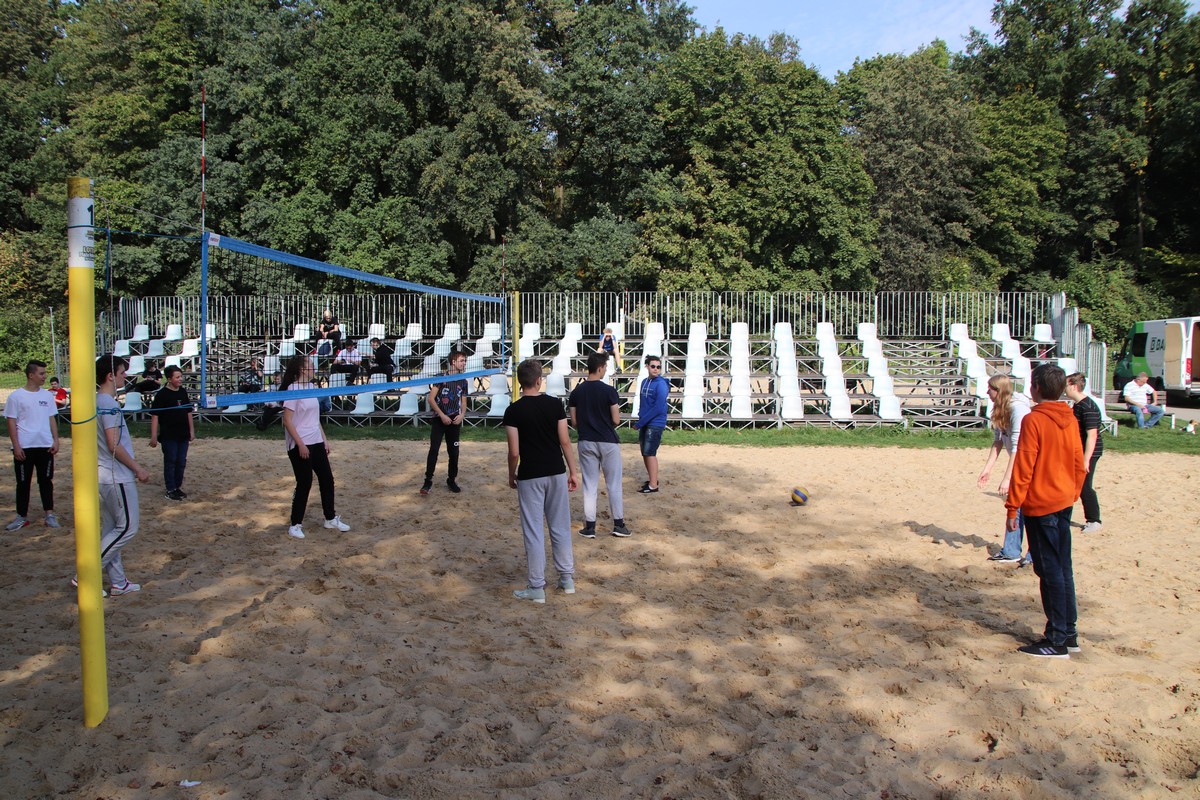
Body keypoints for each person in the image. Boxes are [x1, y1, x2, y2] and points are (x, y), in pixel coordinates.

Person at [1004, 363, 1087, 658]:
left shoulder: (1034, 420)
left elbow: (1023, 467)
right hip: (1062, 501)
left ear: (1036, 387)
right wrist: (1072, 493)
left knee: (1050, 570)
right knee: (1062, 568)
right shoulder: (1069, 417)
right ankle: (1069, 633)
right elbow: (1079, 463)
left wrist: (1012, 508)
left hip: (1042, 504)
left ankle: (1057, 638)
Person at [503, 359, 580, 603]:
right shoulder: (554, 404)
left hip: (530, 475)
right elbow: (565, 441)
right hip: (556, 471)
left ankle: (537, 586)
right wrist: (573, 471)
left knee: (534, 531)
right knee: (560, 526)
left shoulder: (513, 410)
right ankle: (566, 578)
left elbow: (514, 452)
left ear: (519, 382)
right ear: (539, 380)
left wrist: (511, 474)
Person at [91, 354, 151, 596]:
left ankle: (118, 582)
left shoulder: (97, 401)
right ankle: (86, 575)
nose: (125, 376)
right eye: (122, 372)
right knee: (127, 528)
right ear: (110, 376)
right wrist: (138, 468)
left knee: (111, 530)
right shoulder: (108, 404)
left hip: (105, 474)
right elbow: (113, 444)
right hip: (116, 475)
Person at [280, 354, 350, 539]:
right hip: (300, 443)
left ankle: (330, 518)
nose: (314, 368)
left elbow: (315, 418)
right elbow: (287, 421)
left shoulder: (312, 387)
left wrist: (324, 439)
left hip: (316, 440)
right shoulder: (292, 389)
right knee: (305, 482)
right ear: (302, 369)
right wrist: (300, 444)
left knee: (327, 479)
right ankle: (295, 524)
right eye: (311, 365)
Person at [568, 351, 630, 538]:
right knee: (613, 484)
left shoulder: (576, 392)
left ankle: (590, 527)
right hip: (607, 441)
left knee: (589, 485)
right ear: (600, 368)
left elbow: (574, 422)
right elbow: (616, 419)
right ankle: (618, 524)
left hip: (586, 440)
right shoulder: (609, 391)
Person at [978, 374, 1032, 565]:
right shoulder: (1000, 409)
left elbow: (1018, 448)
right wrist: (987, 470)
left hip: (1030, 464)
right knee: (1015, 506)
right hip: (1020, 462)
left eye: (990, 389)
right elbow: (998, 441)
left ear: (999, 391)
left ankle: (1032, 555)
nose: (987, 392)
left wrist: (1007, 478)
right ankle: (1011, 551)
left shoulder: (1018, 409)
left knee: (1028, 508)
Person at [5, 360, 60, 530]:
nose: (44, 376)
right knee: (23, 483)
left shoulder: (47, 396)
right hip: (25, 446)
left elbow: (52, 418)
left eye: (44, 373)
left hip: (45, 445)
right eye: (41, 373)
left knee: (46, 481)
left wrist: (56, 440)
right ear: (31, 375)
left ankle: (49, 515)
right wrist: (16, 445)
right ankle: (21, 517)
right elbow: (11, 422)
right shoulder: (16, 396)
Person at [422, 350, 468, 495]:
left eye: (465, 360)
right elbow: (431, 399)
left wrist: (462, 415)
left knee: (454, 453)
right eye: (461, 360)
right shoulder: (441, 378)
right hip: (439, 419)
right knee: (434, 450)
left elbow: (464, 402)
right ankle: (428, 481)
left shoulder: (463, 380)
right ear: (453, 362)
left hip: (454, 420)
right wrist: (442, 415)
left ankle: (451, 480)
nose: (464, 363)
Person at [148, 365, 195, 501]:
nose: (180, 379)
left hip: (183, 434)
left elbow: (189, 412)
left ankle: (177, 487)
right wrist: (153, 436)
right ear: (169, 379)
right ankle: (170, 489)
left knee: (181, 461)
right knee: (171, 461)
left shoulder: (183, 392)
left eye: (181, 376)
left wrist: (191, 430)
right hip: (169, 435)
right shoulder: (162, 394)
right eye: (177, 377)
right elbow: (155, 416)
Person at [1065, 372, 1103, 533]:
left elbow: (1092, 435)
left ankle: (1094, 520)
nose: (1064, 388)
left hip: (1090, 452)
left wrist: (1086, 459)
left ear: (1074, 386)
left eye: (1066, 385)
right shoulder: (1078, 405)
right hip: (1080, 450)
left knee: (1085, 485)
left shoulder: (1088, 407)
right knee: (1073, 484)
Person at [634, 354, 668, 493]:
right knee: (645, 452)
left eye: (658, 367)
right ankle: (652, 480)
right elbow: (644, 403)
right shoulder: (644, 382)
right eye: (653, 366)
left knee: (650, 453)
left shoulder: (661, 384)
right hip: (646, 421)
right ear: (647, 366)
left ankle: (653, 484)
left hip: (655, 422)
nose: (656, 369)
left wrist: (640, 422)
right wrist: (641, 419)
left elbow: (658, 407)